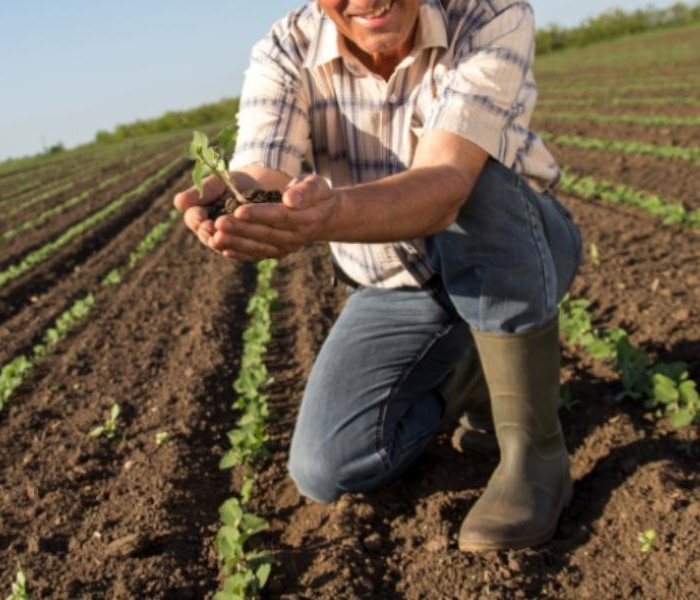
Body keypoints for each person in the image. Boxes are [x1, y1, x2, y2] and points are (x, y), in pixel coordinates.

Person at [174, 0, 582, 552]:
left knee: (477, 184)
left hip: (517, 254)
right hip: (397, 283)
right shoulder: (287, 48)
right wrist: (247, 201)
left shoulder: (488, 15)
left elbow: (446, 185)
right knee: (325, 467)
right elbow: (266, 166)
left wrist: (327, 214)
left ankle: (537, 458)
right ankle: (471, 375)